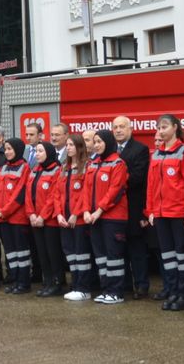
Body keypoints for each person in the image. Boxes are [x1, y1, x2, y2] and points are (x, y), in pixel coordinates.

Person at [147, 114, 184, 312]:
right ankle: (174, 291)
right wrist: (150, 210)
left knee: (182, 255)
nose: (161, 131)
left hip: (178, 213)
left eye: (164, 126)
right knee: (168, 256)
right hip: (160, 214)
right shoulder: (157, 153)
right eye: (159, 127)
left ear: (175, 127)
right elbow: (151, 185)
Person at [111, 116, 153, 300]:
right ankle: (126, 284)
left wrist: (115, 180)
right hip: (113, 209)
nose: (118, 130)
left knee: (137, 250)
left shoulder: (140, 149)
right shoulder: (109, 148)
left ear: (130, 129)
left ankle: (142, 286)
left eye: (122, 127)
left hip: (134, 208)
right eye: (115, 127)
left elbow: (137, 178)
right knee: (119, 250)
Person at [86, 129, 130, 305]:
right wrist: (86, 211)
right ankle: (106, 289)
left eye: (99, 142)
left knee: (114, 257)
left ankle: (116, 292)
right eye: (95, 142)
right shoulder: (93, 164)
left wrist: (99, 210)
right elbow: (86, 191)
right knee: (101, 257)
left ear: (108, 142)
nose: (96, 145)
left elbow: (115, 190)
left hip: (113, 217)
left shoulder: (118, 163)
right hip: (95, 217)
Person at [57, 134, 93, 301]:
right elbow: (57, 194)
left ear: (79, 147)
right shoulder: (64, 168)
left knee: (81, 254)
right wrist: (58, 214)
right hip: (64, 219)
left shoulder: (86, 166)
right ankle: (75, 285)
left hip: (77, 220)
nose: (68, 147)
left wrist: (75, 214)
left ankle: (84, 288)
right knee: (70, 254)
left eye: (71, 145)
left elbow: (85, 194)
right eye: (67, 145)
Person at [0, 138, 33, 294]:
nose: (8, 152)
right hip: (3, 218)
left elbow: (20, 194)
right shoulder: (3, 168)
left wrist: (5, 210)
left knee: (21, 252)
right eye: (6, 149)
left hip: (17, 217)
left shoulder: (25, 168)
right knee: (10, 252)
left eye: (10, 149)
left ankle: (24, 283)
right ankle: (15, 280)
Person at [27, 141, 65, 297]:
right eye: (36, 151)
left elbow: (53, 196)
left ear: (49, 153)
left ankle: (57, 282)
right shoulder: (35, 170)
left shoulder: (57, 170)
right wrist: (31, 214)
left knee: (53, 253)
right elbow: (28, 194)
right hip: (35, 219)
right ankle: (47, 281)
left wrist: (42, 216)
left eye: (40, 151)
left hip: (49, 221)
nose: (37, 154)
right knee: (42, 253)